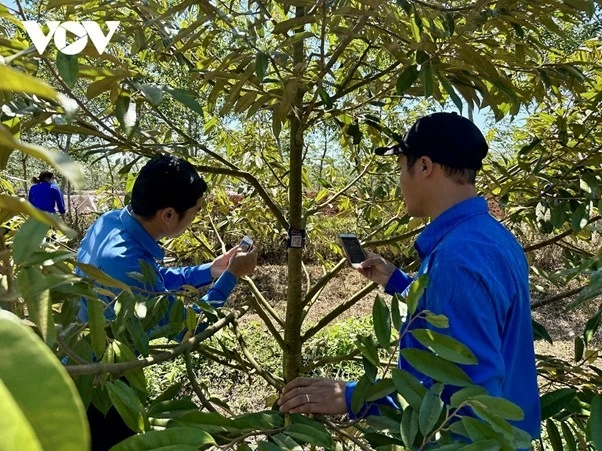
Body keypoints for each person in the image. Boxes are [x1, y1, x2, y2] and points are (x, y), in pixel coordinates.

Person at [278, 112, 540, 440]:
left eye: (401, 167)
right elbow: (464, 320)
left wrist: (352, 397)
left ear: (425, 167)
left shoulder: (455, 260)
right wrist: (399, 282)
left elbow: (463, 401)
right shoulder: (492, 238)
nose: (400, 179)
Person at [76, 155, 258, 450]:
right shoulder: (126, 262)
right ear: (169, 214)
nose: (196, 217)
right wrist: (232, 276)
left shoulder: (109, 222)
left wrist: (211, 270)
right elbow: (184, 328)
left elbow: (153, 283)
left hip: (83, 360)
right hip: (101, 387)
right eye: (195, 211)